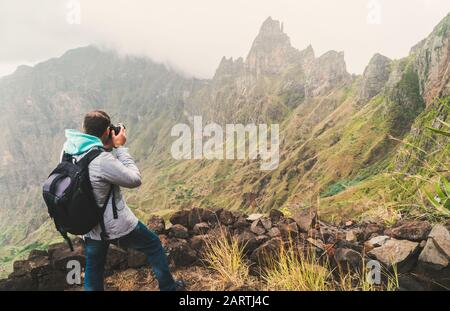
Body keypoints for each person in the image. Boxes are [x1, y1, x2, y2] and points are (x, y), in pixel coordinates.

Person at [62, 110, 183, 291]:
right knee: (153, 245)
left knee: (94, 268)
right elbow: (134, 179)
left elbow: (90, 172)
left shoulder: (68, 149)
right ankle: (169, 288)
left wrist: (105, 146)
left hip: (88, 225)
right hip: (115, 225)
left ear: (84, 128)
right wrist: (119, 148)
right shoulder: (102, 159)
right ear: (106, 132)